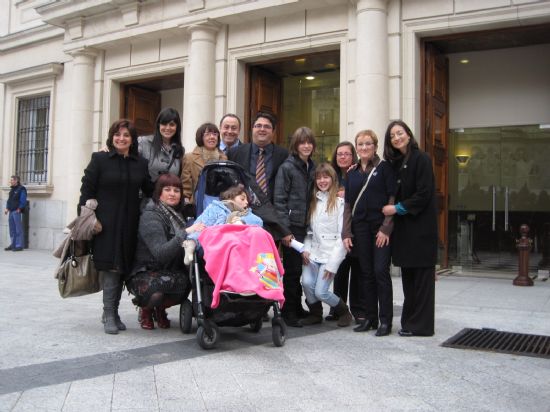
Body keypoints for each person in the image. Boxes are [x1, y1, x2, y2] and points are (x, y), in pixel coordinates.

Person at [79, 119, 153, 334]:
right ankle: (109, 313)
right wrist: (88, 220)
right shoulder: (100, 159)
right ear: (112, 137)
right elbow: (86, 191)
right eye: (117, 135)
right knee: (111, 268)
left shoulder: (140, 163)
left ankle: (112, 312)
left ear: (132, 140)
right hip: (104, 225)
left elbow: (149, 188)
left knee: (122, 268)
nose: (121, 138)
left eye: (126, 135)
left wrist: (170, 189)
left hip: (130, 224)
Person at [126, 173, 205, 330]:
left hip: (171, 269)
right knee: (157, 292)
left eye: (176, 190)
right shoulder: (151, 215)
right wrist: (186, 232)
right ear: (159, 192)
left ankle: (161, 309)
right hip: (147, 270)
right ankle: (146, 309)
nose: (172, 194)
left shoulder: (178, 214)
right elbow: (160, 254)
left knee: (191, 279)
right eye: (167, 189)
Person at [381, 120, 437, 337]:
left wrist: (397, 208)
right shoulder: (396, 162)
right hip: (405, 232)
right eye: (392, 135)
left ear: (408, 134)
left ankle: (421, 326)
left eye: (400, 133)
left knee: (422, 281)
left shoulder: (421, 158)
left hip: (421, 229)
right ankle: (409, 322)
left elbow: (423, 194)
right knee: (409, 280)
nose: (397, 138)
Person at [343, 130, 396, 336]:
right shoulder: (352, 172)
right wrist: (347, 233)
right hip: (360, 229)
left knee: (380, 271)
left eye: (368, 144)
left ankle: (385, 321)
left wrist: (386, 228)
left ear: (375, 146)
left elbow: (392, 198)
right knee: (365, 274)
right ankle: (370, 318)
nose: (364, 148)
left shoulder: (385, 169)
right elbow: (348, 205)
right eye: (360, 144)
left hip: (379, 228)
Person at [300, 163, 353, 327]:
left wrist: (332, 264)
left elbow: (342, 237)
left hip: (330, 254)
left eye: (326, 177)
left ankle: (344, 311)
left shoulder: (339, 202)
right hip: (314, 252)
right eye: (319, 178)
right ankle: (316, 313)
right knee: (307, 283)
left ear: (333, 179)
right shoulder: (313, 202)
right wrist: (306, 249)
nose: (322, 181)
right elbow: (309, 231)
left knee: (321, 291)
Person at [273, 127, 316, 327]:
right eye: (302, 142)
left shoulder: (312, 167)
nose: (306, 146)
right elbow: (279, 200)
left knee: (299, 270)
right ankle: (288, 311)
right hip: (292, 227)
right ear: (296, 145)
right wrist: (285, 231)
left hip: (307, 225)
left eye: (309, 142)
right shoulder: (287, 167)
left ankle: (297, 307)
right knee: (291, 271)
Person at [182, 183, 263, 264]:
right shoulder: (215, 207)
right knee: (202, 228)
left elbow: (257, 222)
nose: (246, 202)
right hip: (212, 236)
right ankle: (191, 243)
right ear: (230, 197)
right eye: (242, 199)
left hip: (233, 240)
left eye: (247, 200)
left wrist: (242, 222)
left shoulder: (246, 213)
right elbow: (201, 223)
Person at [326, 142, 362, 322]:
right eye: (339, 154)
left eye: (347, 154)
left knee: (355, 270)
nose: (342, 157)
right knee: (338, 270)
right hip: (334, 229)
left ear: (352, 156)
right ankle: (338, 309)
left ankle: (357, 309)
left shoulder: (358, 173)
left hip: (353, 228)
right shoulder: (331, 174)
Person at [228, 112, 288, 204]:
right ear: (252, 129)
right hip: (243, 209)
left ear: (273, 131)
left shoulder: (284, 155)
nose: (262, 129)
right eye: (258, 126)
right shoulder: (235, 153)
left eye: (267, 126)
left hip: (272, 211)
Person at [181, 122, 227, 204]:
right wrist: (187, 203)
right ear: (201, 137)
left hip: (219, 203)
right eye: (208, 134)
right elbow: (186, 186)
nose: (212, 137)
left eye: (215, 134)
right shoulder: (189, 158)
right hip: (197, 203)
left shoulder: (224, 158)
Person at [138, 107, 184, 183]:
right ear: (158, 125)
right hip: (146, 194)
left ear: (177, 127)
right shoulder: (143, 142)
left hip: (168, 194)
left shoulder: (180, 150)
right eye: (164, 124)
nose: (168, 128)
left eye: (172, 124)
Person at [4, 175, 27, 251]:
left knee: (18, 229)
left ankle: (19, 245)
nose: (10, 181)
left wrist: (19, 208)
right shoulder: (12, 190)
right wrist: (7, 208)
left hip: (16, 211)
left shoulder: (22, 189)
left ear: (16, 180)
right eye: (10, 180)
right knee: (12, 229)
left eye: (11, 180)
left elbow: (23, 200)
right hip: (11, 211)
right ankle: (13, 244)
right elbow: (9, 200)